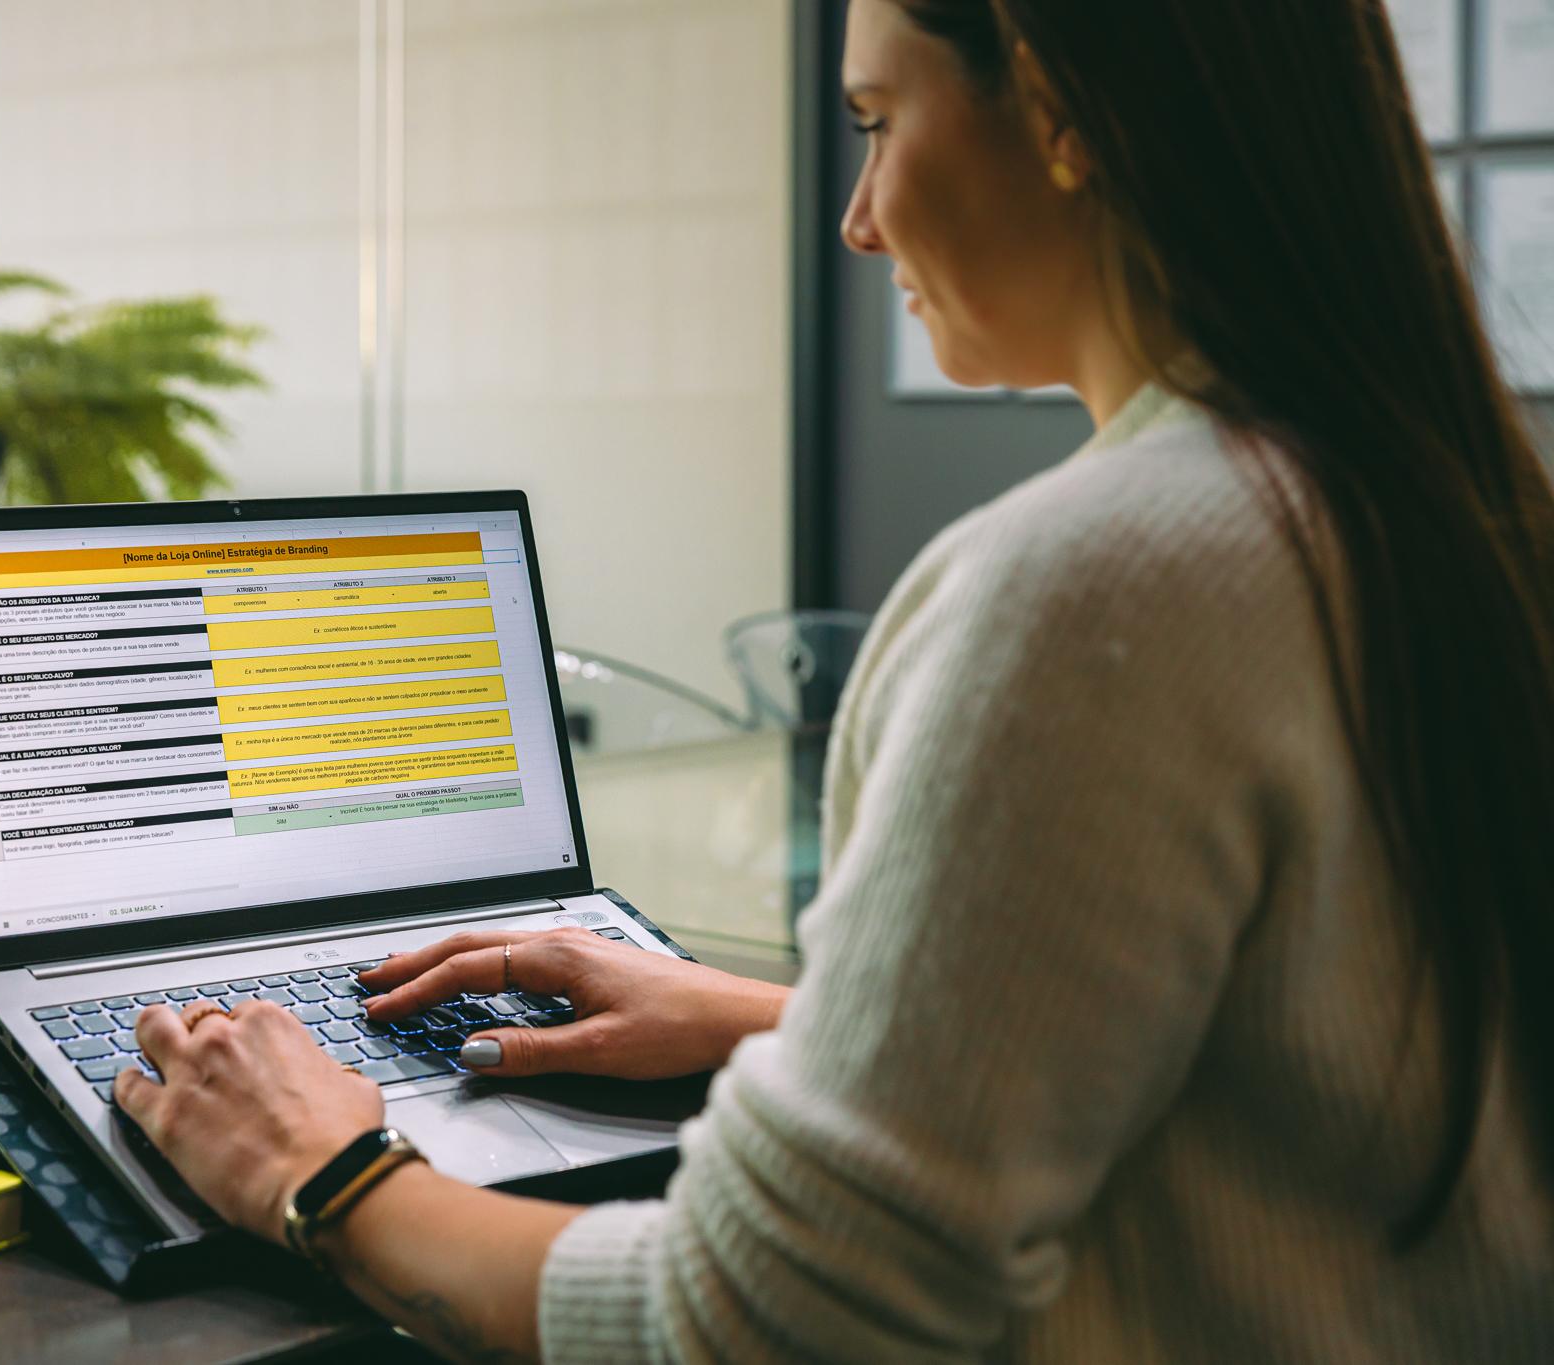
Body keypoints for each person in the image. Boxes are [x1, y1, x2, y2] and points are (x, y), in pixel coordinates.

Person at [115, 1, 1554, 1359]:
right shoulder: (1439, 510)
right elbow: (1289, 1078)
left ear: (1054, 103)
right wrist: (784, 1017)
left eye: (874, 119)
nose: (859, 223)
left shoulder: (1101, 584)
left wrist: (321, 1166)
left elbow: (756, 1318)